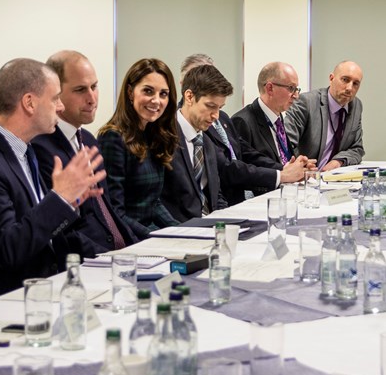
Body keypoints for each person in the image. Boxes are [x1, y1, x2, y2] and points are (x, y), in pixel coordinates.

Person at [0, 58, 105, 301]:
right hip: (3, 303)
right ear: (29, 103)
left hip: (44, 289)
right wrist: (59, 199)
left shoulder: (25, 149)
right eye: (54, 99)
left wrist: (67, 205)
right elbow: (9, 250)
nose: (60, 107)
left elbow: (42, 232)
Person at [33, 51, 138, 255]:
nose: (92, 98)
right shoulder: (41, 148)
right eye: (80, 90)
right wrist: (109, 259)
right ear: (55, 93)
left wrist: (137, 249)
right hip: (91, 263)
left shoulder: (88, 139)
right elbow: (63, 231)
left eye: (94, 86)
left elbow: (108, 210)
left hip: (120, 256)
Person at [179, 55, 310, 204]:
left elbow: (248, 153)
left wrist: (287, 169)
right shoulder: (182, 128)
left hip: (232, 203)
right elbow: (227, 169)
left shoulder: (222, 118)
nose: (215, 115)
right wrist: (281, 175)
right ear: (186, 90)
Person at [98, 58, 179, 239]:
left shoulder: (153, 134)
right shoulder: (113, 137)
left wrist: (179, 231)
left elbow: (153, 203)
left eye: (163, 94)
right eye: (148, 91)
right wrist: (157, 237)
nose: (156, 100)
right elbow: (114, 212)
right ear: (130, 92)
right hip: (129, 240)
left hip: (148, 236)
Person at [161, 64, 230, 221]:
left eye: (220, 108)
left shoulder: (206, 142)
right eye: (210, 106)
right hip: (178, 230)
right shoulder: (164, 135)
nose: (216, 116)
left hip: (209, 228)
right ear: (189, 97)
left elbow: (215, 196)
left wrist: (226, 222)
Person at [284, 60, 364, 171]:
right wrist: (299, 164)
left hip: (333, 180)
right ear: (331, 78)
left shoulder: (356, 106)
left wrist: (338, 162)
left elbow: (357, 148)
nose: (349, 88)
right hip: (304, 178)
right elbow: (285, 144)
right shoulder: (306, 102)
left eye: (355, 83)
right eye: (345, 80)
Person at [232, 61, 300, 164]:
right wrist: (283, 171)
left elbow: (284, 160)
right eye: (291, 88)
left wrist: (298, 166)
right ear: (270, 88)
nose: (296, 96)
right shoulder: (242, 122)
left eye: (297, 89)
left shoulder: (278, 118)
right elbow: (245, 171)